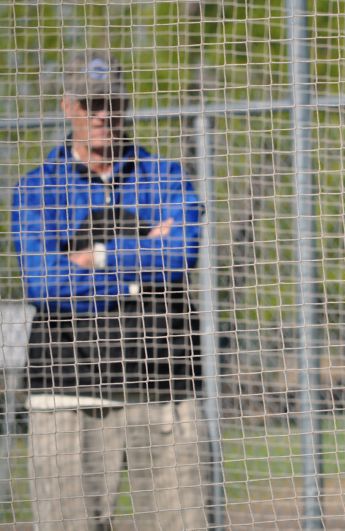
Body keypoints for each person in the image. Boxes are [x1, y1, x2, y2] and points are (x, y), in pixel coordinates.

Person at [12, 50, 207, 529]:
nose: (103, 115)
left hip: (163, 385)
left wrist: (98, 257)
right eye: (90, 102)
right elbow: (44, 284)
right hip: (65, 391)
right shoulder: (37, 189)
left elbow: (181, 256)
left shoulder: (167, 178)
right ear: (68, 107)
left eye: (112, 103)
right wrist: (141, 270)